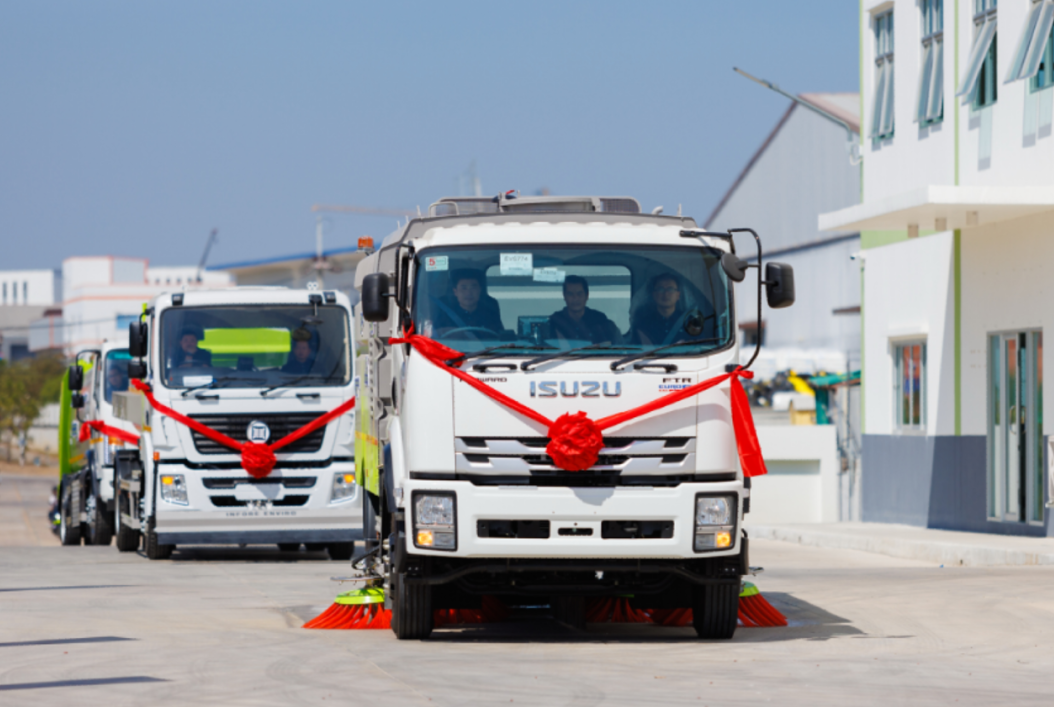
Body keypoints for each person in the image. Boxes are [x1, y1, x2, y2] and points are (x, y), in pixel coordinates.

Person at [548, 275, 622, 344]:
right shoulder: (555, 321)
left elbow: (616, 347)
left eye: (579, 294)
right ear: (564, 296)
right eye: (570, 294)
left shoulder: (600, 320)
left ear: (587, 295)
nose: (575, 298)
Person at [431, 269, 504, 334]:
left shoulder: (490, 316)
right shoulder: (444, 316)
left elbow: (500, 337)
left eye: (473, 287)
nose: (468, 293)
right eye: (464, 288)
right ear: (455, 292)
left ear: (480, 290)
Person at [631, 273, 688, 346]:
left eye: (670, 289)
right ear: (653, 294)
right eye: (660, 289)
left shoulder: (689, 321)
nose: (666, 294)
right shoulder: (642, 324)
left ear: (678, 295)